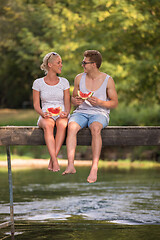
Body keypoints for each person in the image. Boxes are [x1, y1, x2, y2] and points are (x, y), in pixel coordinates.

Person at [63, 50, 118, 183]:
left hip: (100, 113)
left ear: (94, 64)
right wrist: (75, 101)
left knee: (95, 129)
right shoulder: (78, 78)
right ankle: (70, 165)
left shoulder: (107, 80)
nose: (82, 65)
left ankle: (94, 168)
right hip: (81, 112)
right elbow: (74, 98)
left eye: (84, 63)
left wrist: (100, 102)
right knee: (71, 127)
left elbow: (114, 102)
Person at [32, 52, 70, 172]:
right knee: (48, 125)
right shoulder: (38, 83)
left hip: (61, 114)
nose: (61, 65)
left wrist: (66, 112)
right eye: (58, 62)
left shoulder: (64, 82)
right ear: (50, 64)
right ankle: (55, 160)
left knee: (62, 124)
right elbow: (36, 105)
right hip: (45, 115)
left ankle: (52, 159)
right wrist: (43, 114)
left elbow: (67, 104)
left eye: (61, 62)